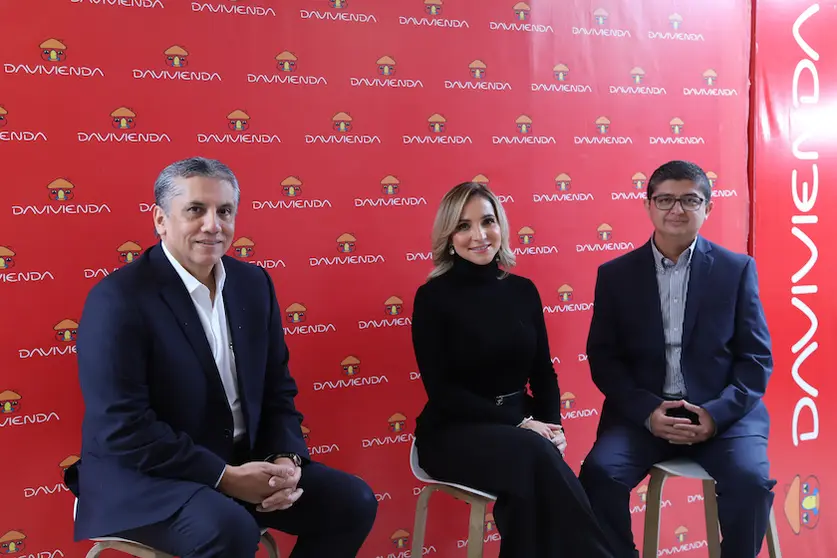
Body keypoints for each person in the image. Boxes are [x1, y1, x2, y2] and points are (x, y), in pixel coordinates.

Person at [66, 157, 377, 558]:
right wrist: (223, 477)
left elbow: (277, 390)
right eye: (196, 209)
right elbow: (123, 428)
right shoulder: (118, 300)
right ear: (161, 220)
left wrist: (285, 458)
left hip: (239, 463)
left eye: (225, 211)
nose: (213, 225)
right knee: (230, 530)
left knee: (352, 503)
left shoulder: (253, 284)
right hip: (143, 478)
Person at [578, 160, 775, 558]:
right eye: (665, 199)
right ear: (648, 205)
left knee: (751, 482)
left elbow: (756, 359)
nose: (676, 210)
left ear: (708, 208)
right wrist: (648, 411)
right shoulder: (615, 275)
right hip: (644, 417)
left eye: (690, 199)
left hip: (724, 416)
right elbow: (604, 358)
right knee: (599, 476)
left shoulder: (736, 270)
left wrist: (715, 414)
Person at [411, 181, 614, 558]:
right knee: (532, 456)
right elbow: (443, 392)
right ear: (448, 235)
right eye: (464, 225)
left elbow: (543, 373)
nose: (479, 235)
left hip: (521, 428)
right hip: (453, 431)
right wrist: (521, 424)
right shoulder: (433, 298)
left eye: (487, 221)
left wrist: (553, 425)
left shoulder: (523, 291)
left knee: (526, 488)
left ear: (500, 225)